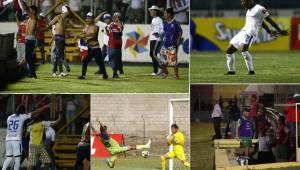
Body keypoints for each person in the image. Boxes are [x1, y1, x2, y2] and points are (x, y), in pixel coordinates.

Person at [225, 0, 288, 75]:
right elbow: (261, 22)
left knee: (244, 51)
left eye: (244, 1)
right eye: (241, 2)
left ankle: (251, 71)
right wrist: (269, 31)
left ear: (250, 1)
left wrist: (280, 30)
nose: (242, 3)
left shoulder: (259, 8)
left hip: (251, 32)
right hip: (243, 31)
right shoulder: (248, 9)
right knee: (229, 50)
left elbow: (269, 20)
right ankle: (231, 71)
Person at [1, 104, 49, 170]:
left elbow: (43, 136)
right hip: (25, 143)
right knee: (33, 163)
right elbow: (25, 132)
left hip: (20, 142)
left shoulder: (10, 117)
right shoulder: (28, 119)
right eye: (35, 112)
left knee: (21, 161)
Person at [76, 12, 108, 80]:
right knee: (85, 61)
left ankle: (105, 74)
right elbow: (84, 33)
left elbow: (92, 36)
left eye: (89, 17)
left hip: (96, 49)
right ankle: (83, 75)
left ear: (92, 19)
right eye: (87, 17)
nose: (88, 19)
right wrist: (79, 35)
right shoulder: (86, 26)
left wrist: (102, 13)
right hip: (90, 49)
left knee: (100, 63)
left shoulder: (95, 26)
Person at [46, 5, 72, 77]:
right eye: (68, 11)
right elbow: (49, 24)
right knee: (59, 55)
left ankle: (56, 72)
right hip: (58, 38)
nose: (69, 13)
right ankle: (58, 72)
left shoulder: (64, 19)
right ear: (65, 11)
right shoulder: (58, 17)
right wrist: (53, 36)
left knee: (59, 55)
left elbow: (64, 30)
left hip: (62, 38)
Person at [17, 0, 38, 78]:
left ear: (33, 11)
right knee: (29, 57)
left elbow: (25, 9)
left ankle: (32, 73)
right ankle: (32, 73)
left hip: (30, 39)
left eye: (30, 10)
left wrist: (21, 1)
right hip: (29, 39)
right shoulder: (31, 18)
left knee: (28, 57)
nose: (29, 11)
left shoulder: (33, 17)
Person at [160, 8, 182, 79]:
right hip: (164, 45)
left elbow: (180, 31)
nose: (164, 15)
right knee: (162, 62)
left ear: (169, 14)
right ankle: (165, 72)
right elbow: (164, 32)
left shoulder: (175, 23)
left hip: (172, 45)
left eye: (165, 13)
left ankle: (176, 75)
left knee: (173, 62)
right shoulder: (165, 23)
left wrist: (178, 40)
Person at [106, 12, 124, 78]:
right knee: (111, 59)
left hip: (117, 45)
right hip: (111, 44)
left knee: (116, 59)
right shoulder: (111, 24)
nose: (114, 18)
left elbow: (121, 28)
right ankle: (117, 71)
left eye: (116, 17)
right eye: (114, 16)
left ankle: (115, 73)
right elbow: (108, 32)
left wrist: (118, 20)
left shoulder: (120, 24)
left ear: (119, 18)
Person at [148, 5, 164, 76]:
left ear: (155, 11)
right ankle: (156, 70)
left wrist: (158, 33)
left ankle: (161, 67)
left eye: (151, 10)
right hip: (152, 39)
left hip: (156, 39)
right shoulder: (153, 19)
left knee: (153, 54)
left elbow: (163, 29)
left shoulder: (159, 19)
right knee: (152, 54)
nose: (150, 12)